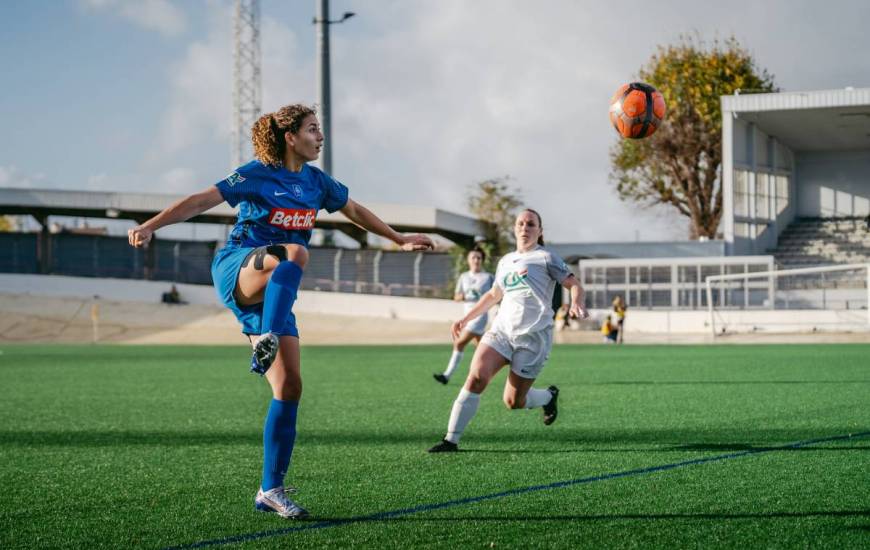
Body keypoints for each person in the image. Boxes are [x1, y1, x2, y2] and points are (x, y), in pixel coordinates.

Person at [128, 103, 433, 519]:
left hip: (275, 294)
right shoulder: (257, 173)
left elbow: (355, 211)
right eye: (312, 130)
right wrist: (150, 225)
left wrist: (398, 239)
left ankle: (270, 490)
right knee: (294, 250)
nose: (320, 137)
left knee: (289, 387)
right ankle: (267, 337)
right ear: (290, 137)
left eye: (320, 130)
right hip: (239, 268)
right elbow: (201, 200)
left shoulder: (317, 182)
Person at [428, 209, 588, 453]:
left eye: (531, 224)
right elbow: (494, 295)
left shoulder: (546, 257)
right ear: (515, 229)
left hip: (533, 339)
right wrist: (466, 318)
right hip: (501, 332)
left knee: (513, 402)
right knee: (476, 376)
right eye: (521, 224)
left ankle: (548, 397)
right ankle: (451, 440)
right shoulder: (505, 261)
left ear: (540, 231)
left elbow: (573, 284)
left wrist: (576, 302)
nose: (525, 228)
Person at [433, 247, 494, 385]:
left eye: (479, 258)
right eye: (473, 257)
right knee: (483, 350)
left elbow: (496, 295)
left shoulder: (488, 277)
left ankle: (446, 376)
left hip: (479, 316)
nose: (476, 260)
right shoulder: (464, 277)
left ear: (482, 260)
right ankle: (485, 375)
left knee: (459, 343)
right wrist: (466, 295)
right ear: (468, 260)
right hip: (466, 316)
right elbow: (456, 296)